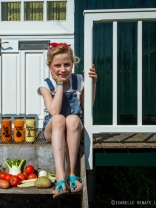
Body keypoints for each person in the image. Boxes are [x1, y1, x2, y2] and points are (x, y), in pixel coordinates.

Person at [37, 42, 97, 198]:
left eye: (67, 65)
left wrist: (93, 83)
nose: (62, 70)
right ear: (50, 66)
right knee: (58, 118)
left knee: (72, 119)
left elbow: (86, 104)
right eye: (57, 65)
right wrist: (59, 83)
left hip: (74, 129)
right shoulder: (45, 85)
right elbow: (54, 111)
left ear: (73, 64)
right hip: (53, 129)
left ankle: (71, 174)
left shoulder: (78, 80)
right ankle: (60, 177)